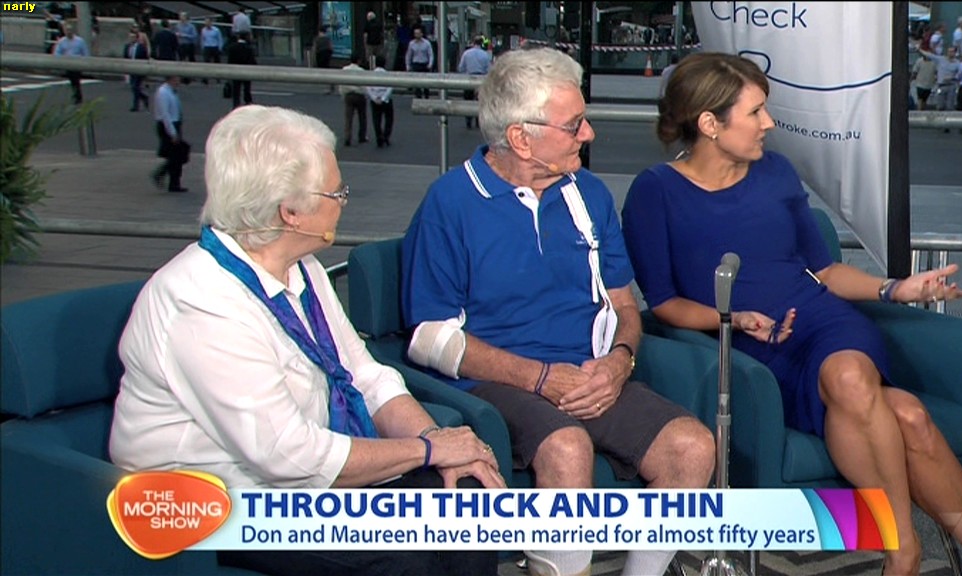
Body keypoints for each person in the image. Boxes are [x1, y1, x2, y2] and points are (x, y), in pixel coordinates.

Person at [620, 51, 962, 576]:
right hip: (750, 350)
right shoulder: (654, 192)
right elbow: (664, 304)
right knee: (908, 416)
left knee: (851, 376)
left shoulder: (776, 172)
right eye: (755, 112)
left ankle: (903, 553)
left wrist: (894, 289)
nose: (769, 123)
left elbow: (824, 271)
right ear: (710, 124)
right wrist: (735, 319)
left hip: (822, 323)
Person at [110, 104, 503, 576]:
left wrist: (441, 442)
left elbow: (366, 378)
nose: (344, 200)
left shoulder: (302, 269)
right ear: (290, 213)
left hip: (304, 480)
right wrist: (430, 450)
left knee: (468, 501)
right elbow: (286, 454)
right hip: (223, 499)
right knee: (402, 561)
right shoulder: (200, 301)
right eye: (336, 192)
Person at [401, 47, 716, 576]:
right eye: (574, 125)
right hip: (495, 381)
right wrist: (541, 378)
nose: (589, 134)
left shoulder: (589, 194)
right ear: (521, 138)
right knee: (567, 447)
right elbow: (429, 337)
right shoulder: (450, 202)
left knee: (693, 447)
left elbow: (623, 303)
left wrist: (618, 363)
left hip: (590, 374)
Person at [151, 75, 188, 193]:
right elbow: (165, 114)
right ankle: (161, 175)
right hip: (168, 125)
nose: (179, 80)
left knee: (177, 155)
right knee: (176, 155)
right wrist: (172, 132)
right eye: (177, 78)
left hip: (174, 123)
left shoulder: (171, 91)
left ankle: (174, 182)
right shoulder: (163, 92)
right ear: (172, 79)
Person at [457, 36, 491, 128]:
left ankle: (468, 120)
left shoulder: (466, 53)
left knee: (468, 100)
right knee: (479, 101)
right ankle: (478, 121)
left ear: (473, 43)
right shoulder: (485, 54)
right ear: (481, 43)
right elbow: (488, 69)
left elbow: (461, 68)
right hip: (480, 78)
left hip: (469, 78)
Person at [52, 24, 89, 105]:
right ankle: (77, 95)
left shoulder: (80, 41)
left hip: (77, 62)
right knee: (73, 80)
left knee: (75, 79)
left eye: (69, 30)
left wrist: (85, 63)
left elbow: (85, 52)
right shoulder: (61, 41)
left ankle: (77, 96)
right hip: (67, 63)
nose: (68, 32)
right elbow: (57, 53)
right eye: (66, 30)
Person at [339, 60, 369, 147]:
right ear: (359, 61)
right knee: (362, 117)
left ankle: (347, 137)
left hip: (349, 95)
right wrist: (366, 95)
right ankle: (362, 136)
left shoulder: (344, 69)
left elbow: (341, 84)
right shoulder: (362, 71)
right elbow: (365, 85)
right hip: (359, 95)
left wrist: (342, 94)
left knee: (348, 118)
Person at [367, 57, 394, 147]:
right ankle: (386, 136)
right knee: (389, 119)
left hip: (375, 99)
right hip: (386, 100)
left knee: (376, 120)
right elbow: (390, 87)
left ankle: (379, 136)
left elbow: (368, 87)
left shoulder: (371, 75)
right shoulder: (387, 74)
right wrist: (383, 98)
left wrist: (374, 98)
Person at [226, 31, 256, 108]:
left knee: (236, 91)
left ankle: (236, 106)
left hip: (235, 71)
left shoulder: (232, 47)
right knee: (247, 90)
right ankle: (248, 104)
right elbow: (252, 61)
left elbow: (229, 61)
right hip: (246, 71)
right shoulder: (249, 48)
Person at [123, 30, 150, 112]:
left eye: (133, 37)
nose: (131, 39)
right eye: (130, 37)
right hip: (131, 69)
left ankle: (135, 106)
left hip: (139, 69)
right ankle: (144, 97)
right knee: (133, 87)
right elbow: (125, 58)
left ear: (137, 38)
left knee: (135, 86)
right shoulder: (127, 47)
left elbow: (145, 58)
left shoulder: (141, 47)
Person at [405, 26, 434, 98]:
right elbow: (409, 55)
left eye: (418, 33)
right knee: (417, 82)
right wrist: (408, 65)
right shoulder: (411, 43)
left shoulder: (427, 43)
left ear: (421, 34)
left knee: (426, 82)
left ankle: (426, 95)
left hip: (424, 64)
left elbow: (430, 54)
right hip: (416, 64)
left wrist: (430, 64)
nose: (416, 35)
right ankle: (418, 96)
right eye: (415, 33)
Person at [200, 18, 223, 84]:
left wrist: (220, 48)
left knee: (217, 63)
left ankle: (218, 78)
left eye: (207, 22)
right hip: (207, 47)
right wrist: (203, 47)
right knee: (206, 63)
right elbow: (202, 39)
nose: (206, 23)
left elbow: (220, 39)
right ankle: (205, 78)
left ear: (211, 22)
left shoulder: (216, 30)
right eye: (205, 22)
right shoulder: (203, 30)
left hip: (215, 47)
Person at [313, 25, 334, 94]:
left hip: (319, 55)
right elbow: (331, 47)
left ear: (319, 31)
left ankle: (325, 85)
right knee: (327, 69)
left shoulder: (317, 39)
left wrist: (313, 58)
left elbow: (314, 48)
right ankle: (330, 85)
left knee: (321, 70)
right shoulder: (327, 39)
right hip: (327, 54)